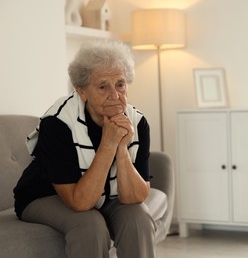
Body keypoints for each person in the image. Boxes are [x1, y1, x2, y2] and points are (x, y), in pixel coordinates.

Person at [13, 38, 156, 258]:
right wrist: (108, 144)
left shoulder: (137, 122)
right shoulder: (58, 123)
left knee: (139, 218)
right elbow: (80, 202)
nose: (115, 95)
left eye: (120, 84)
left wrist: (121, 148)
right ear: (81, 91)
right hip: (45, 196)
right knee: (89, 224)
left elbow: (135, 197)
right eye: (102, 86)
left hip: (104, 194)